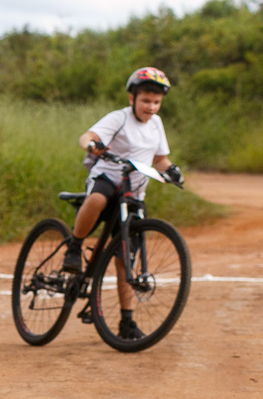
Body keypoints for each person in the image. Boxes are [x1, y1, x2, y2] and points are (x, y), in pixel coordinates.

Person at [62, 66, 184, 340]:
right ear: (132, 98)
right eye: (145, 100)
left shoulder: (156, 124)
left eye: (156, 102)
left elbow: (159, 159)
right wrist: (91, 145)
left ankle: (126, 321)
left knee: (125, 258)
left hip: (134, 194)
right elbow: (87, 136)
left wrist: (172, 170)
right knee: (97, 198)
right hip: (108, 178)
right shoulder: (119, 118)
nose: (150, 107)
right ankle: (74, 247)